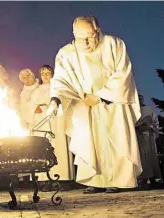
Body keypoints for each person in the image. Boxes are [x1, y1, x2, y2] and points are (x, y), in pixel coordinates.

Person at [46, 16, 142, 194]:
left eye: (90, 36)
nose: (86, 42)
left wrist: (100, 96)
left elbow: (123, 73)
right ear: (73, 34)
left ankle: (118, 180)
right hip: (84, 105)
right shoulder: (66, 53)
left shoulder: (114, 44)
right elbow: (60, 80)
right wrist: (55, 100)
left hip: (113, 103)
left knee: (117, 140)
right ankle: (94, 180)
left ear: (97, 30)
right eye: (81, 38)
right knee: (89, 140)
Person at [29, 65, 74, 189]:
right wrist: (38, 108)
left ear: (52, 74)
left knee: (58, 147)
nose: (45, 76)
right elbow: (31, 106)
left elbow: (63, 102)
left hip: (56, 121)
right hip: (42, 122)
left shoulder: (57, 88)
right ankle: (44, 179)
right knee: (42, 149)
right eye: (43, 73)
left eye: (48, 73)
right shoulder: (36, 91)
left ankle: (62, 178)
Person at [136, 95, 163, 189]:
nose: (140, 100)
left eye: (141, 99)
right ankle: (142, 178)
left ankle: (153, 178)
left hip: (149, 137)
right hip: (139, 138)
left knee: (151, 158)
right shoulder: (134, 110)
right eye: (138, 99)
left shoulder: (148, 109)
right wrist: (138, 127)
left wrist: (150, 127)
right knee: (142, 159)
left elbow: (155, 123)